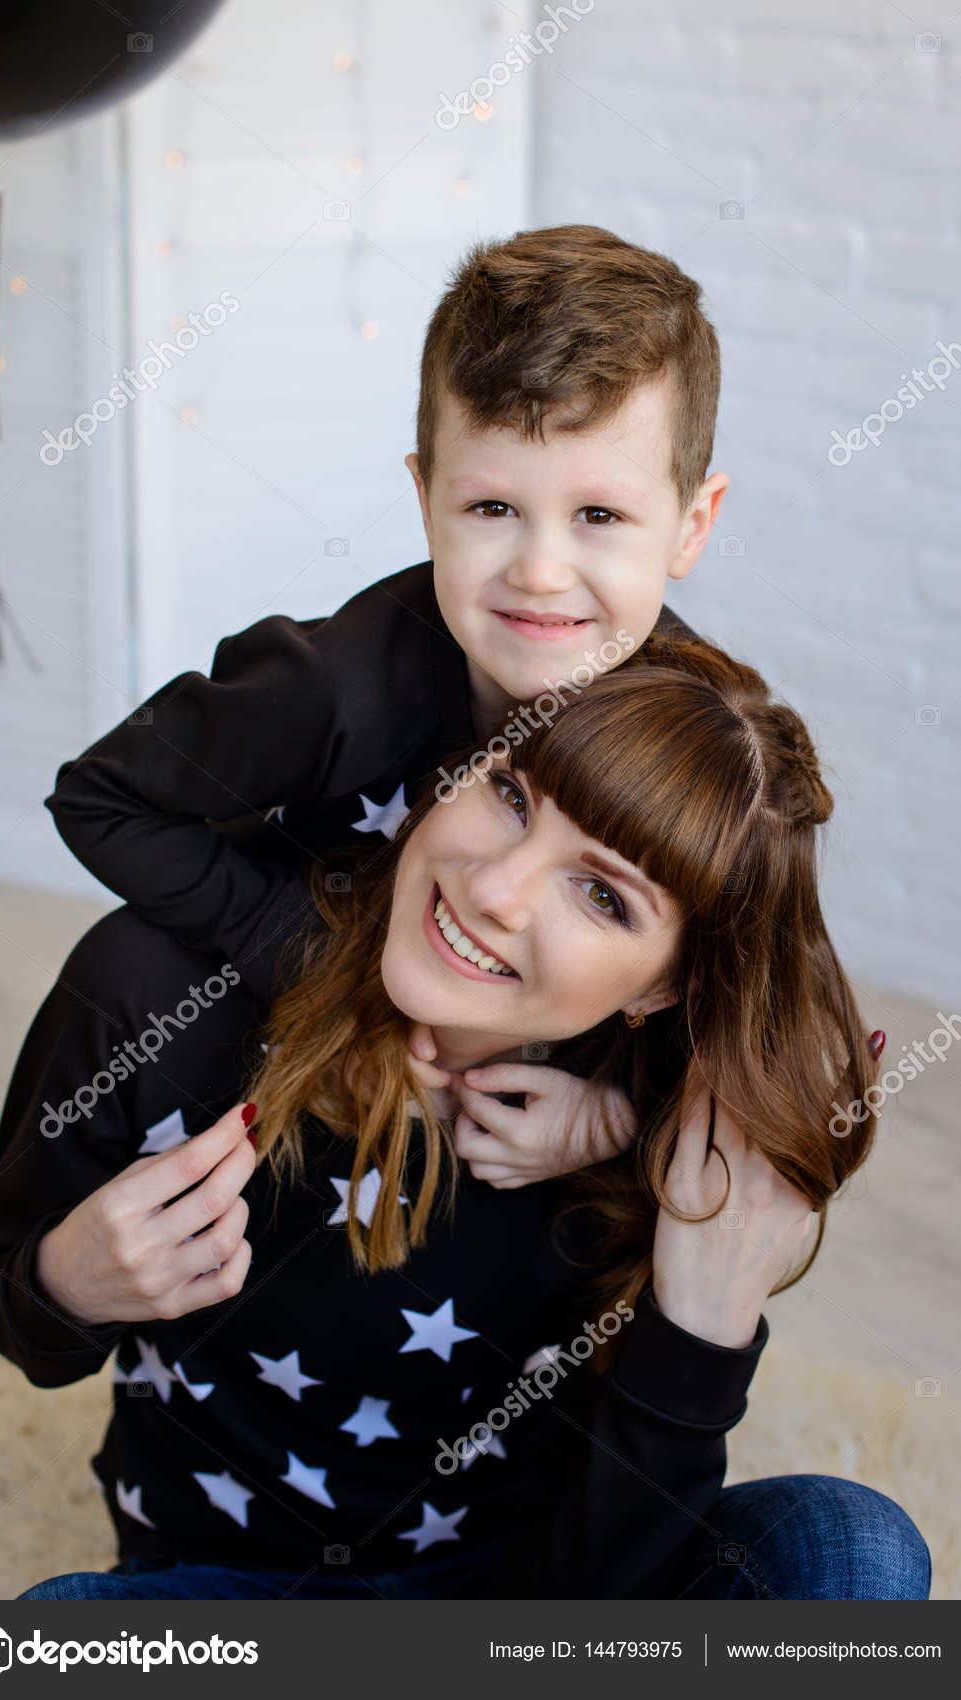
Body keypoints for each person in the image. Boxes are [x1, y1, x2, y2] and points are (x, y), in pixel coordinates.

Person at [0, 635, 931, 1601]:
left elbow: (602, 1596)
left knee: (855, 1549)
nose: (494, 887)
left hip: (529, 1594)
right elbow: (1, 1300)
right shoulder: (154, 992)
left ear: (668, 983)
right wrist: (72, 1277)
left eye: (601, 894)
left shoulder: (667, 1127)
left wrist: (705, 1310)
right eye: (511, 794)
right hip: (233, 1593)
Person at [41, 223, 732, 1184]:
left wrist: (625, 1114)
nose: (539, 573)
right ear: (425, 499)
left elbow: (773, 1017)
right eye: (492, 508)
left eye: (600, 516)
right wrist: (313, 963)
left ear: (690, 526)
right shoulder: (329, 686)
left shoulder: (704, 739)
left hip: (508, 1058)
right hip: (289, 1023)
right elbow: (96, 795)